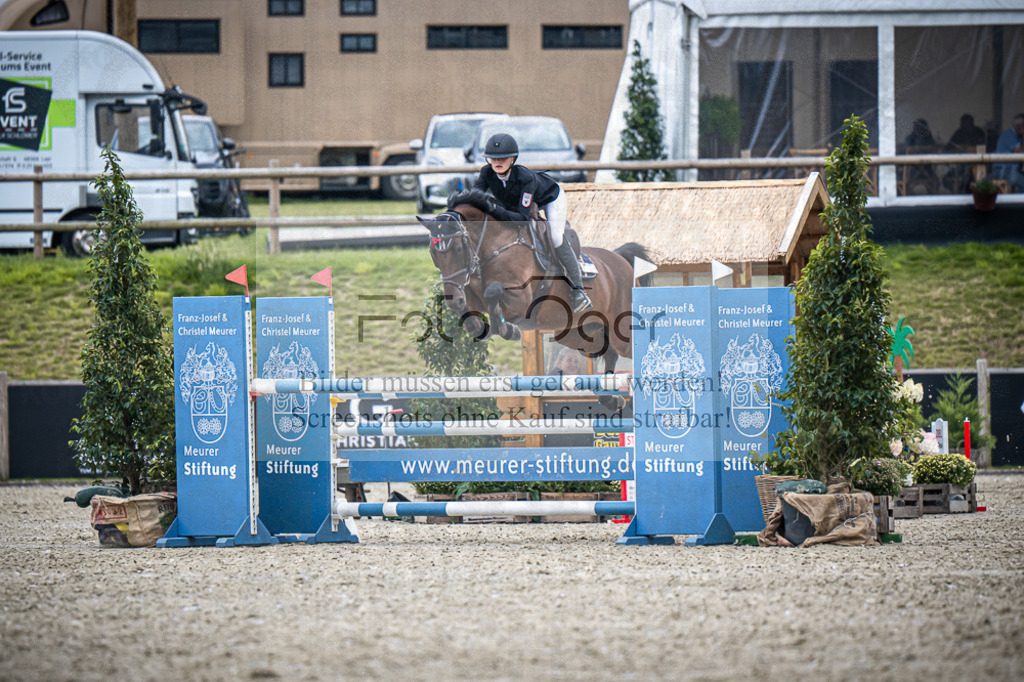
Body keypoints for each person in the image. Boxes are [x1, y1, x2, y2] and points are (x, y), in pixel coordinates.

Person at [473, 133, 592, 313]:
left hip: (551, 198)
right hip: (516, 204)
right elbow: (475, 198)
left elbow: (521, 218)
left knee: (555, 236)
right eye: (493, 158)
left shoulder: (525, 177)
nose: (497, 162)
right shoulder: (486, 173)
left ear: (512, 159)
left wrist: (493, 208)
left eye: (503, 158)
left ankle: (579, 291)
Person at [993, 113, 1024, 193]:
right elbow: (1020, 151)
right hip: (1002, 169)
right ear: (1018, 126)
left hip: (1013, 169)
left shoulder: (1020, 138)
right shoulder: (1008, 135)